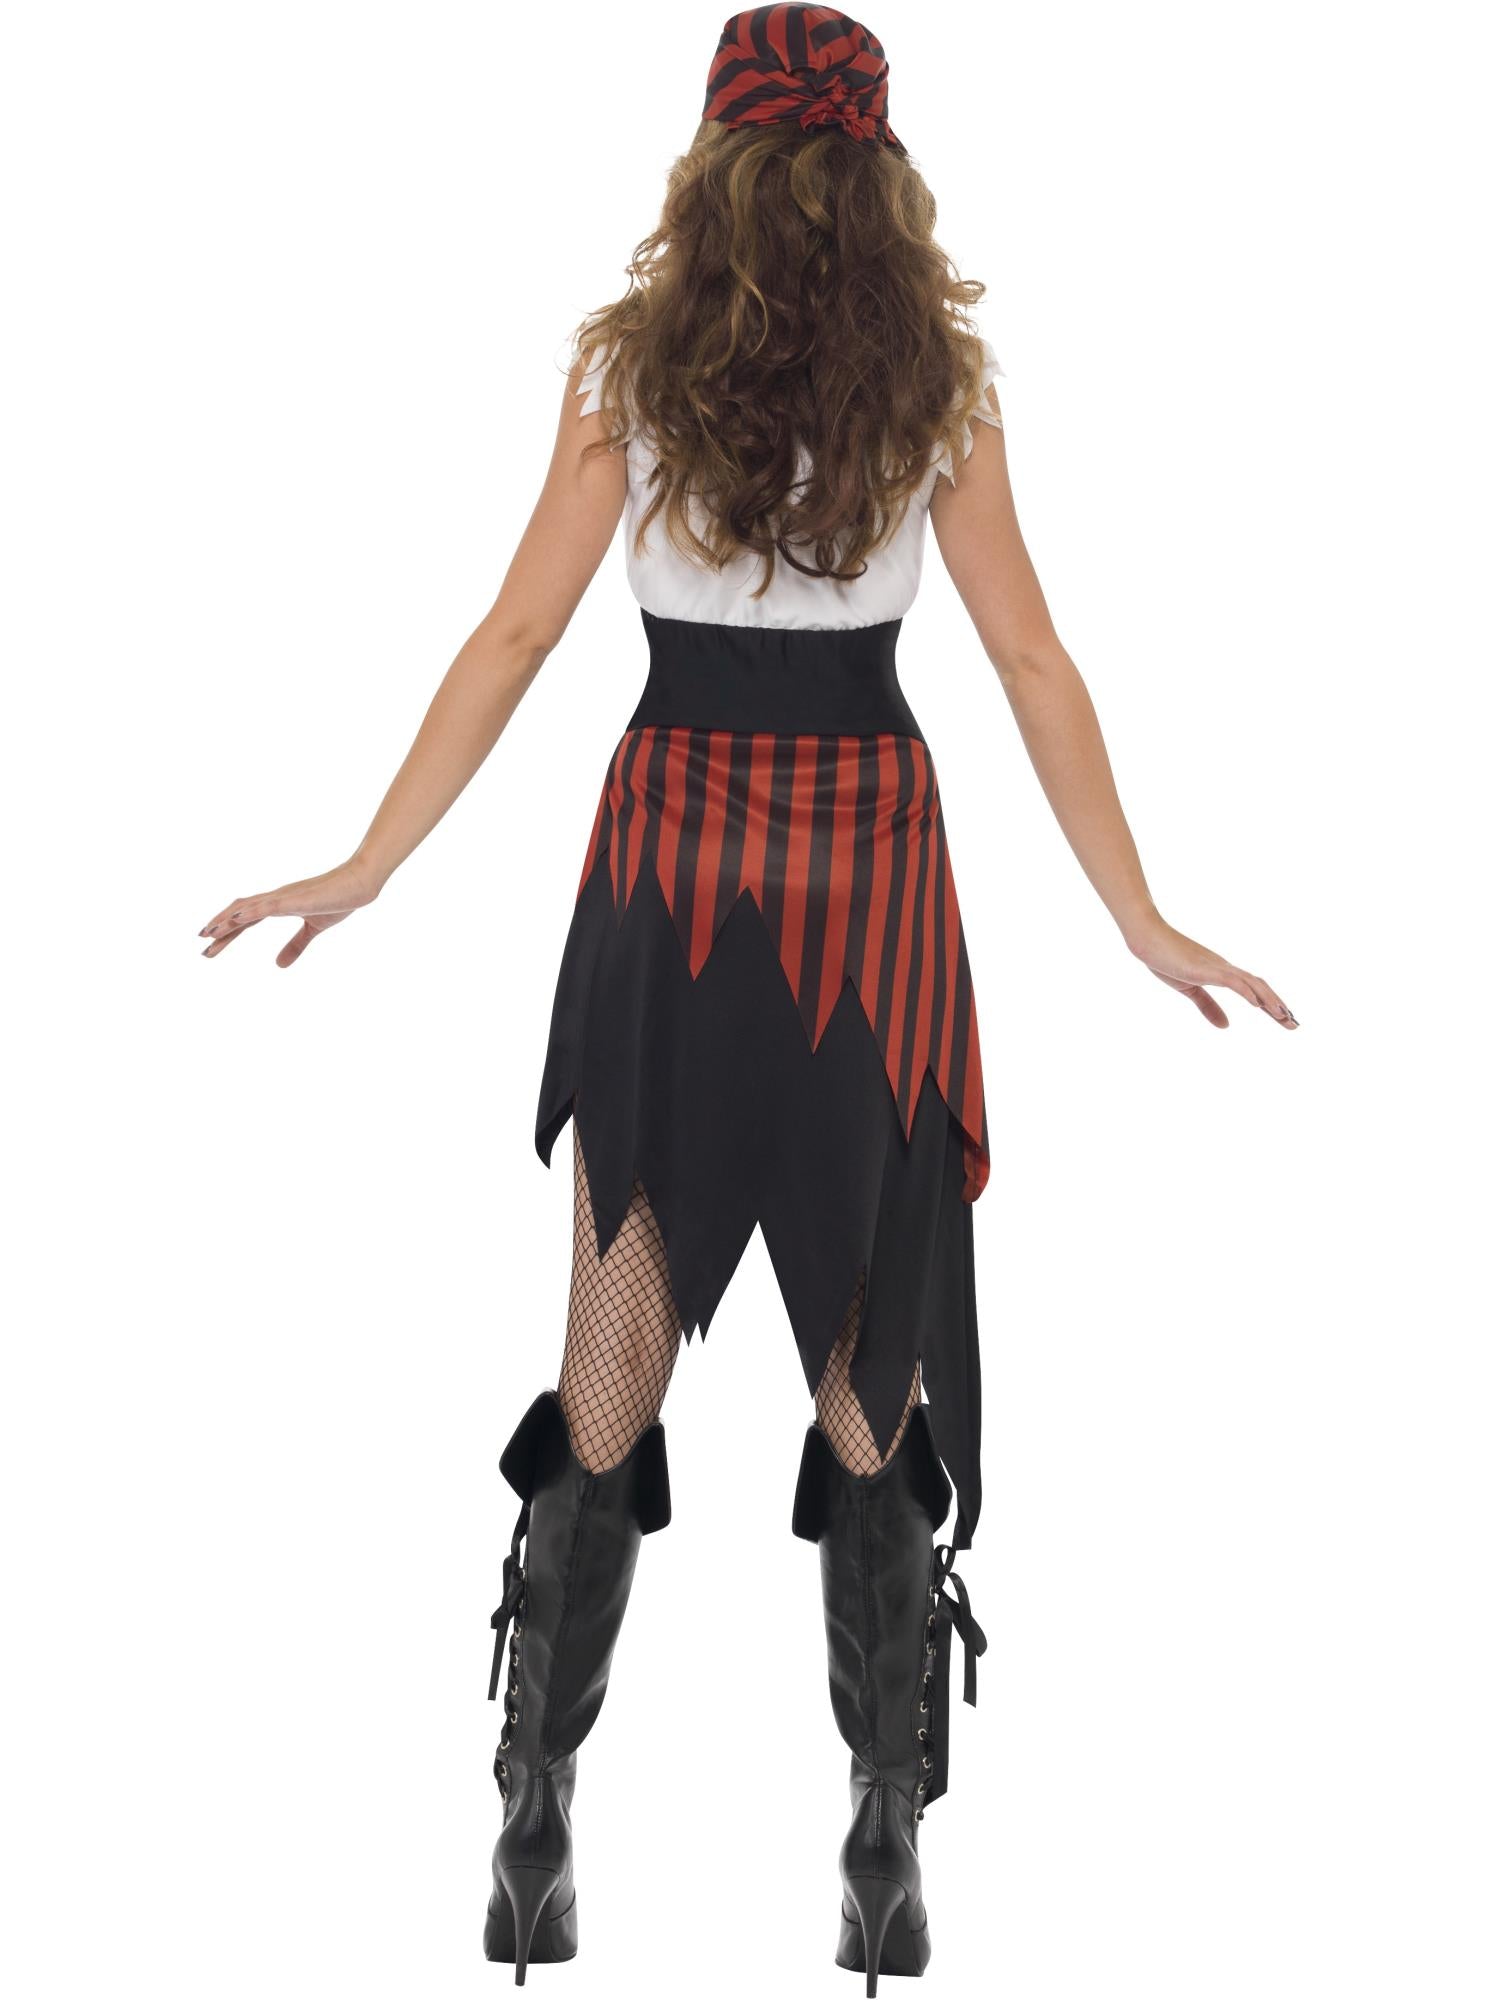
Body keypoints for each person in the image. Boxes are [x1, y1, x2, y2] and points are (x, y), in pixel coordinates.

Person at [199, 7, 1296, 1989]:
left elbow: (520, 631)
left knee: (610, 1352)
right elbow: (1032, 661)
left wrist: (369, 862)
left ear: (708, 160)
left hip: (675, 871)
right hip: (868, 880)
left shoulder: (630, 369)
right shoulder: (940, 384)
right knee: (872, 1394)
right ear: (884, 175)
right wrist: (1137, 913)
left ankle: (530, 1826)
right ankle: (884, 1852)